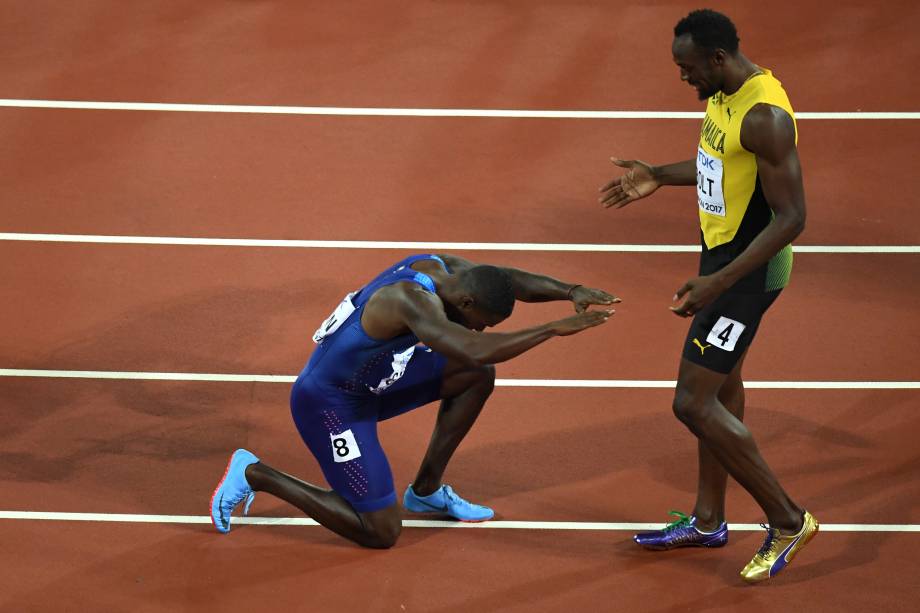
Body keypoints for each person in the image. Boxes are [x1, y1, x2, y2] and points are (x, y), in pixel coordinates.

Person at [599, 9, 817, 582]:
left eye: (687, 68)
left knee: (693, 403)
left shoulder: (765, 115)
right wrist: (658, 175)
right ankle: (708, 519)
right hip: (721, 261)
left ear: (717, 59)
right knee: (724, 389)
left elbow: (792, 218)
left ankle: (789, 520)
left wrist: (719, 283)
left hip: (748, 276)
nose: (683, 79)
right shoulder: (724, 95)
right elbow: (716, 163)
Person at [210, 253, 617, 548]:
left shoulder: (449, 270)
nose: (480, 328)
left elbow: (508, 280)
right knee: (381, 532)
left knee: (475, 376)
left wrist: (571, 290)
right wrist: (555, 329)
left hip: (377, 382)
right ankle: (256, 475)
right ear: (467, 303)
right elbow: (472, 347)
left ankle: (425, 491)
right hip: (330, 405)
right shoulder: (410, 300)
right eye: (483, 322)